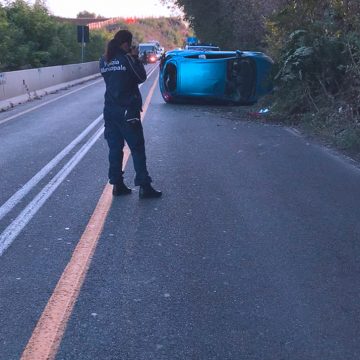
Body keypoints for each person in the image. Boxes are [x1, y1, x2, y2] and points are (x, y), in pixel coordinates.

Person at [99, 30, 162, 199]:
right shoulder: (126, 59)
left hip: (110, 110)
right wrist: (135, 58)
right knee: (137, 148)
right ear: (126, 43)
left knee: (115, 148)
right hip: (128, 110)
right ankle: (144, 185)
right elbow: (141, 77)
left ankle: (117, 184)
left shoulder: (104, 60)